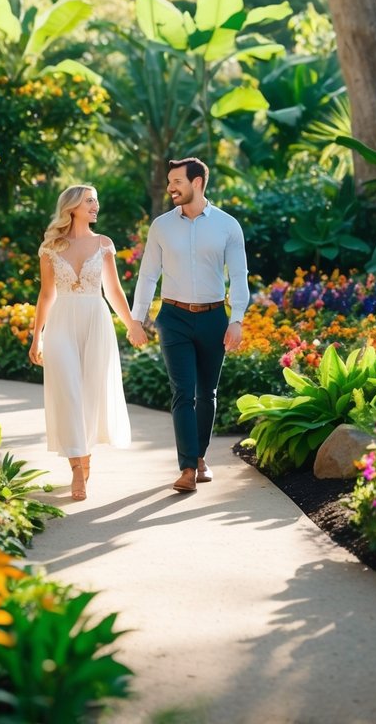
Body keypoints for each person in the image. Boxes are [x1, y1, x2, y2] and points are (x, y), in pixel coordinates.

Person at [131, 157, 249, 493]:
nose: (170, 188)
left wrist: (236, 319)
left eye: (177, 181)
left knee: (207, 393)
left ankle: (200, 459)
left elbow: (239, 276)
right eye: (169, 181)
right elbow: (148, 274)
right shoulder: (161, 226)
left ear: (197, 182)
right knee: (182, 392)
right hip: (174, 318)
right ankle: (186, 468)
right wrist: (137, 319)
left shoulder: (228, 226)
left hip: (213, 317)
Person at [29, 184, 148, 501]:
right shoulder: (51, 247)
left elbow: (114, 292)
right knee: (68, 394)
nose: (96, 205)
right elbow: (46, 295)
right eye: (89, 201)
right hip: (61, 325)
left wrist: (132, 325)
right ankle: (77, 471)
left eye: (96, 200)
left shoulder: (104, 244)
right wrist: (36, 336)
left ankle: (85, 455)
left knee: (91, 396)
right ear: (72, 208)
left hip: (96, 323)